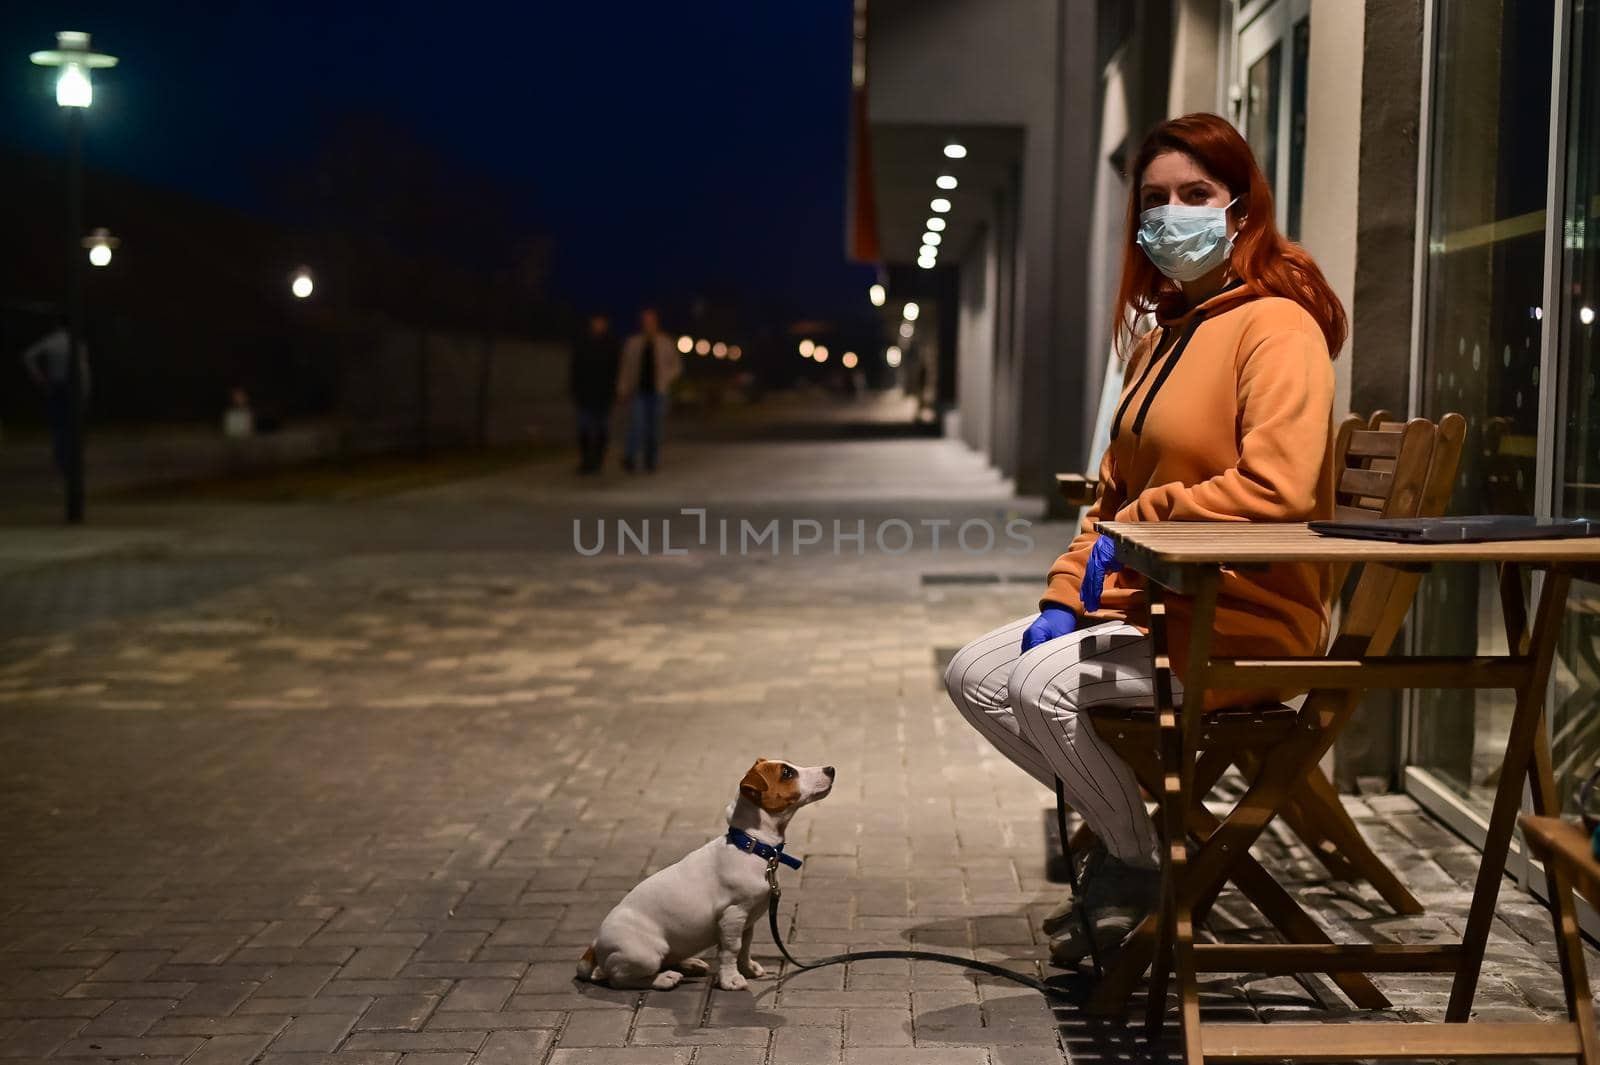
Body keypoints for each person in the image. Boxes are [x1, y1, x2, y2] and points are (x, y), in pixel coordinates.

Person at [943, 112, 1346, 967]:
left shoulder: (1279, 325)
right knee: (976, 672)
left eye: (1195, 194)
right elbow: (1110, 496)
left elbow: (1279, 488)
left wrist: (1137, 528)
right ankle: (1148, 854)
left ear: (1240, 208)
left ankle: (1133, 866)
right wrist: (1063, 592)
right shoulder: (1163, 336)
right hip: (1158, 605)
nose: (1171, 215)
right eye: (1155, 199)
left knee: (1047, 688)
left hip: (1242, 619)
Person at [20, 323, 90, 478]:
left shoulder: (53, 341)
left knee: (59, 425)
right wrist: (85, 390)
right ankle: (70, 461)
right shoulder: (75, 343)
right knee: (70, 425)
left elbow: (28, 355)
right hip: (70, 386)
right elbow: (83, 368)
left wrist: (39, 377)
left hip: (57, 386)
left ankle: (62, 459)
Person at [615, 307, 679, 473]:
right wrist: (622, 388)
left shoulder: (665, 342)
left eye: (650, 321)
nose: (648, 324)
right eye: (645, 321)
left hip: (658, 391)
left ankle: (652, 459)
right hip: (639, 391)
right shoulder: (633, 343)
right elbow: (626, 367)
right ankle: (630, 456)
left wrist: (666, 378)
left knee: (655, 427)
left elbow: (676, 366)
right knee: (637, 424)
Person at [570, 313, 620, 474]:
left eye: (601, 323)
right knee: (584, 428)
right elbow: (575, 368)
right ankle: (585, 460)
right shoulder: (583, 343)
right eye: (596, 322)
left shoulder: (611, 345)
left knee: (601, 429)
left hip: (603, 395)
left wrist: (614, 391)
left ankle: (598, 461)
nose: (598, 325)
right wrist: (575, 389)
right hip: (585, 393)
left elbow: (615, 370)